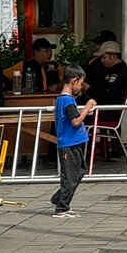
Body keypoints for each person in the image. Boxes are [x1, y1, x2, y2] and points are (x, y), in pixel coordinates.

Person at [50, 65, 96, 218]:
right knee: (70, 177)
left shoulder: (64, 100)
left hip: (73, 142)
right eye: (80, 83)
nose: (81, 87)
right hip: (69, 143)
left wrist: (84, 111)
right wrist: (87, 106)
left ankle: (59, 198)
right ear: (74, 81)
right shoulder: (67, 101)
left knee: (78, 172)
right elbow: (75, 121)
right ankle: (62, 207)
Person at [83, 40, 127, 122]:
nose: (102, 61)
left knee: (73, 116)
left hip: (108, 111)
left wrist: (89, 90)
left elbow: (107, 94)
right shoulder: (109, 71)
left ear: (113, 56)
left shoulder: (120, 74)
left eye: (104, 57)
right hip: (102, 109)